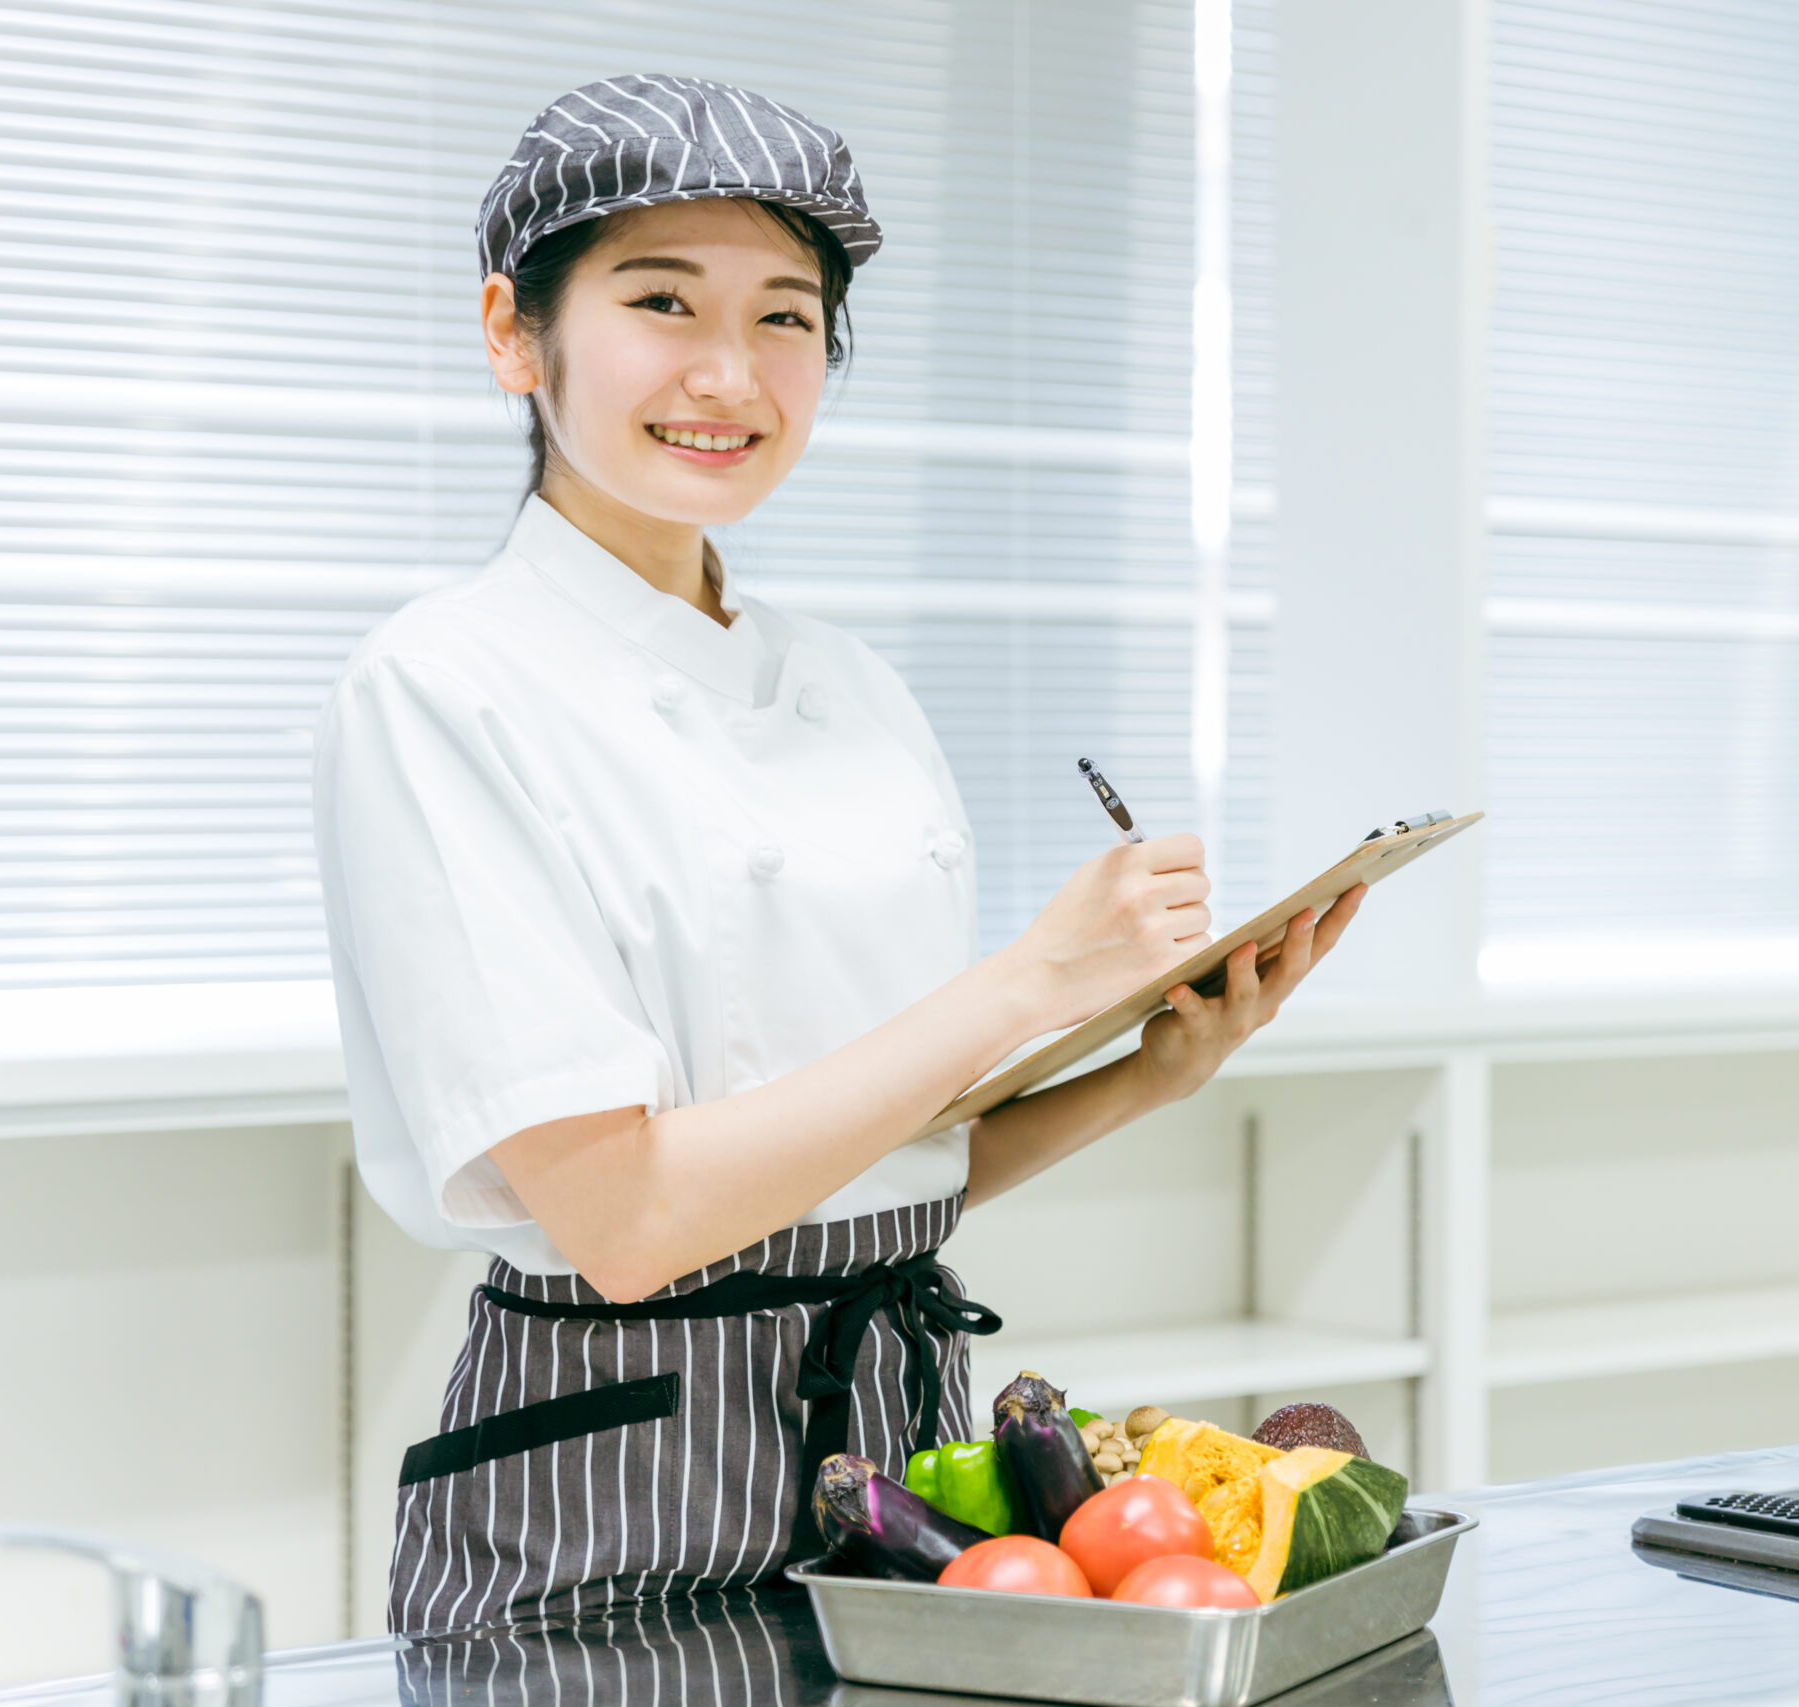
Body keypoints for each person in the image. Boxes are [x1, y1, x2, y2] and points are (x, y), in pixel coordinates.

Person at [312, 75, 1363, 1637]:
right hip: (615, 1498)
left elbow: (881, 1174)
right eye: (662, 302)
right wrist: (1028, 983)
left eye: (787, 318)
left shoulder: (856, 688)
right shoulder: (443, 687)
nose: (727, 374)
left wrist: (1146, 1069)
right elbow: (630, 1224)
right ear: (513, 335)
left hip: (908, 1458)